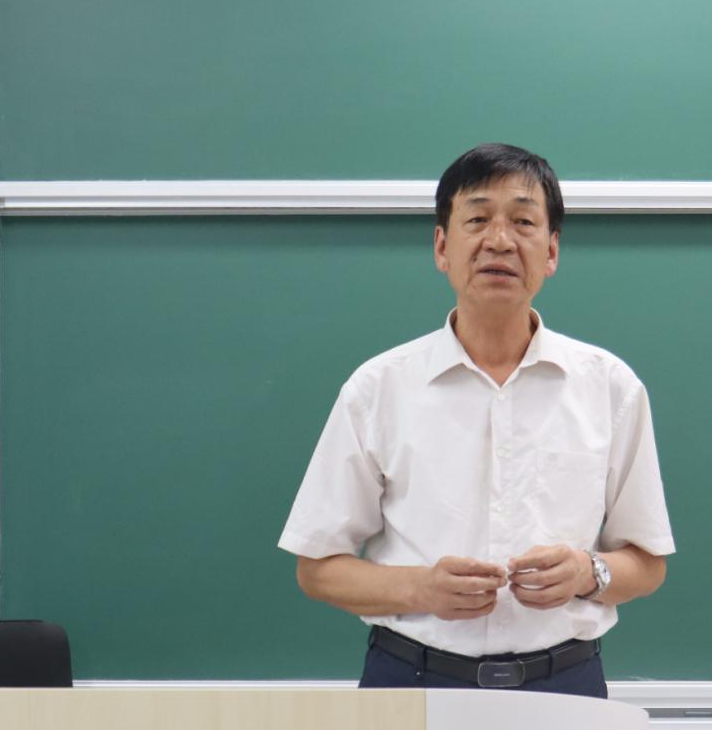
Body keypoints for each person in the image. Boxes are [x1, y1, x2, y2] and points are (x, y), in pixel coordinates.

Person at [278, 143, 675, 698]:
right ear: (442, 247)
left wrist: (589, 574)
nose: (500, 240)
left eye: (523, 221)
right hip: (410, 682)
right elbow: (317, 568)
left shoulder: (610, 387)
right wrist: (420, 588)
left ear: (552, 251)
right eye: (478, 219)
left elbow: (648, 563)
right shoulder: (379, 387)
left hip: (564, 685)